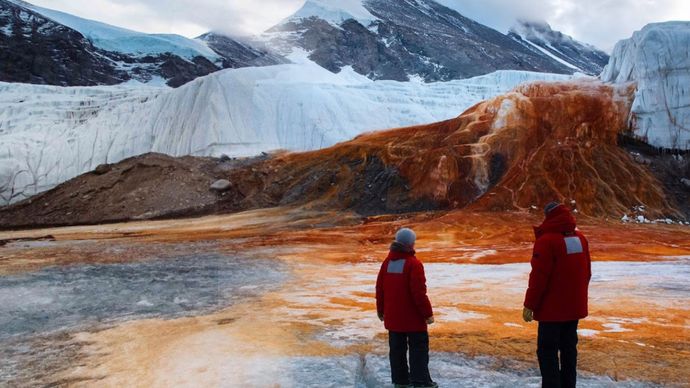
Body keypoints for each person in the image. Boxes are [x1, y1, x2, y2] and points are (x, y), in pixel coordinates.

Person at [523, 202, 592, 388]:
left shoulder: (547, 241)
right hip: (573, 309)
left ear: (549, 217)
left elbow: (539, 277)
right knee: (569, 350)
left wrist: (529, 305)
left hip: (551, 312)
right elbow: (587, 273)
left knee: (547, 351)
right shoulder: (581, 239)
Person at [376, 228, 437, 388]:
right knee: (418, 349)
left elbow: (380, 289)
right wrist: (428, 314)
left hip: (394, 318)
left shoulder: (387, 263)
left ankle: (400, 381)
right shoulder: (413, 264)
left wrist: (380, 310)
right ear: (410, 244)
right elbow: (418, 293)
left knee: (397, 351)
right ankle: (421, 382)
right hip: (413, 319)